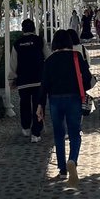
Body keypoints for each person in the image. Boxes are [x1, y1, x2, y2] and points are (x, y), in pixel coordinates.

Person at [37, 28, 92, 188]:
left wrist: (40, 104)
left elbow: (44, 84)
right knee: (75, 133)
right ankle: (72, 160)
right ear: (69, 41)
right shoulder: (77, 56)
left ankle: (62, 170)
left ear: (54, 42)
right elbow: (87, 78)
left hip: (54, 100)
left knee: (59, 135)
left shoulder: (50, 60)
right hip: (74, 98)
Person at [8, 18, 49, 143]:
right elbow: (48, 57)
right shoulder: (40, 40)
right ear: (34, 29)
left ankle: (25, 127)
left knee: (24, 104)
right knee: (39, 105)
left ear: (22, 29)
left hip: (23, 80)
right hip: (39, 80)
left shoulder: (17, 44)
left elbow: (12, 64)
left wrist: (11, 79)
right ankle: (36, 133)